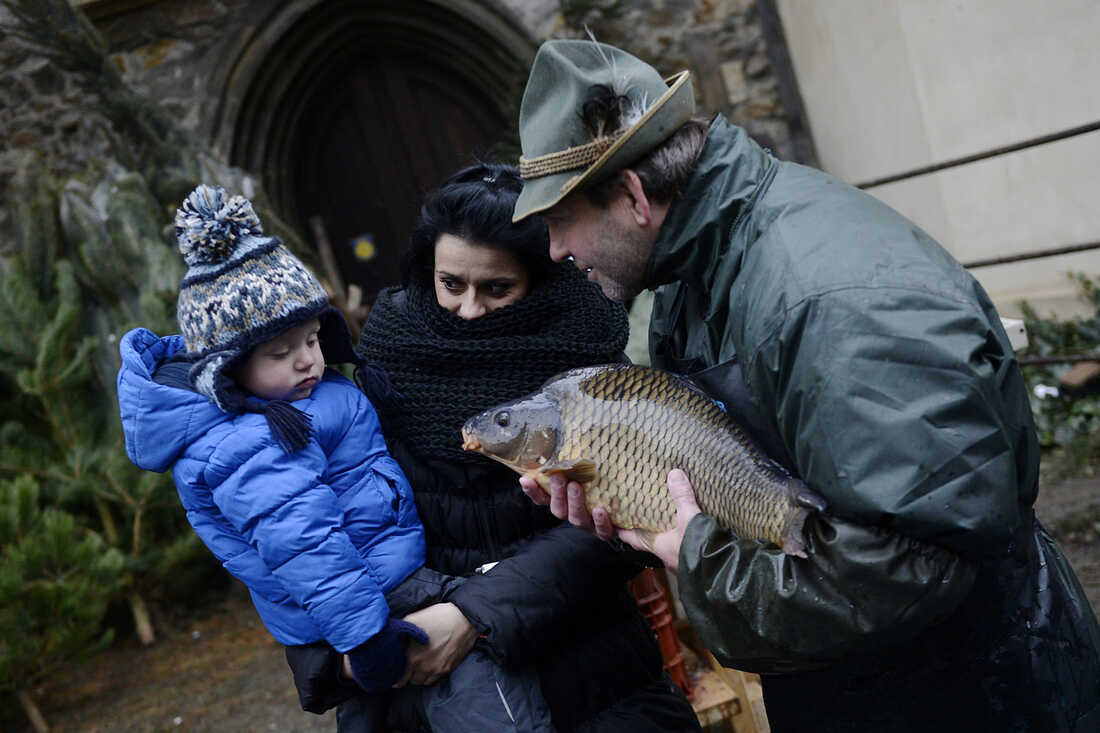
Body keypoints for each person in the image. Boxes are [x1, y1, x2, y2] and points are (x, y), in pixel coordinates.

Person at [512, 40, 1100, 731]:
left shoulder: (829, 300)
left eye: (559, 221)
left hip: (982, 691)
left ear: (634, 196)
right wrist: (641, 512)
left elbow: (920, 559)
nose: (555, 251)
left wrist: (702, 559)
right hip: (859, 686)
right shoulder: (692, 277)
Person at [116, 184, 555, 733]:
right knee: (490, 699)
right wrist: (365, 637)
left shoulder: (309, 393)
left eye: (311, 339)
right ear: (226, 371)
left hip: (376, 585)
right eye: (281, 352)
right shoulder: (246, 440)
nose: (306, 361)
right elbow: (302, 541)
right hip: (366, 603)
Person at [319, 162, 699, 731]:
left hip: (589, 676)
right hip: (426, 685)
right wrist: (348, 657)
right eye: (452, 285)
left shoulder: (591, 365)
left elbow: (621, 527)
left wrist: (475, 616)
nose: (469, 309)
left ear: (538, 279)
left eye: (497, 288)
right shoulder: (386, 358)